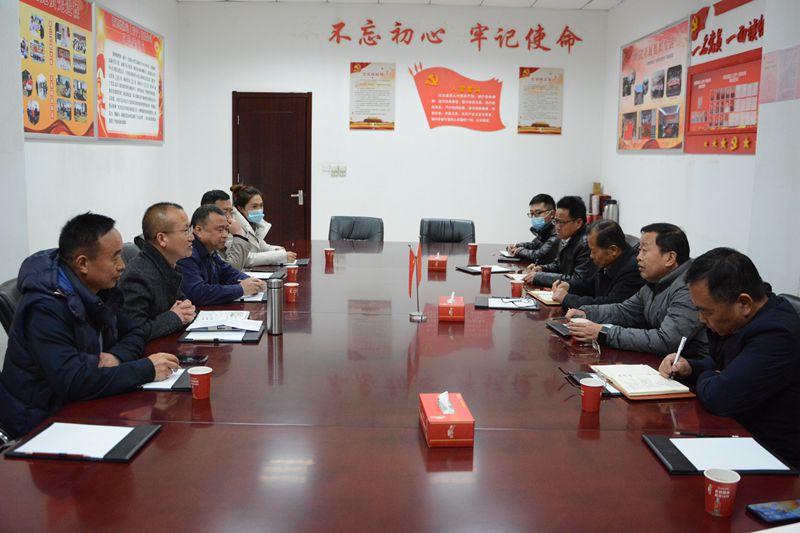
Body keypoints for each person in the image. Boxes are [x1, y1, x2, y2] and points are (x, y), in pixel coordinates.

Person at [0, 213, 179, 438]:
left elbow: (134, 331)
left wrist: (116, 357)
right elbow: (72, 381)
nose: (122, 266)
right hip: (41, 423)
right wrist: (146, 369)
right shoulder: (45, 307)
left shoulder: (101, 289)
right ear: (83, 263)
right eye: (114, 258)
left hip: (86, 403)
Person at [658, 248, 800, 468]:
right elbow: (724, 363)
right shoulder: (750, 318)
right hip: (738, 438)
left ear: (744, 303)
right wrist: (690, 368)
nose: (701, 319)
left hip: (774, 459)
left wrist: (710, 376)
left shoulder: (777, 334)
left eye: (707, 312)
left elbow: (720, 397)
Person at [566, 223, 708, 357]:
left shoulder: (690, 287)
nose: (638, 257)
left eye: (644, 251)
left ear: (670, 258)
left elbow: (666, 341)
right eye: (639, 250)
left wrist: (604, 334)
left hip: (692, 367)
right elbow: (624, 311)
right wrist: (586, 313)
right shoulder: (654, 282)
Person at [118, 203, 196, 341]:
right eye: (186, 231)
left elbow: (180, 305)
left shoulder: (169, 265)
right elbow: (133, 332)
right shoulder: (137, 276)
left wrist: (186, 309)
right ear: (162, 239)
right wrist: (174, 317)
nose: (192, 237)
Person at [178, 205, 266, 306]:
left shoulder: (211, 250)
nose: (225, 235)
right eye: (220, 230)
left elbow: (228, 272)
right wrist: (240, 289)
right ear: (199, 231)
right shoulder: (187, 253)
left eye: (227, 230)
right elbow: (197, 293)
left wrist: (252, 281)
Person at [552, 219, 643, 308]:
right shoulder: (610, 260)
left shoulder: (633, 269)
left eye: (594, 251)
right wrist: (569, 286)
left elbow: (609, 305)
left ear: (613, 250)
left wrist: (567, 299)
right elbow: (591, 284)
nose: (591, 256)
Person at [524, 196, 596, 286]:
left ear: (578, 223)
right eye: (555, 221)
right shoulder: (566, 236)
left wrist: (540, 277)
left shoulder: (587, 243)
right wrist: (542, 268)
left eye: (561, 222)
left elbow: (579, 280)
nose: (557, 227)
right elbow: (558, 265)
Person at [230, 184, 296, 266]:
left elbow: (259, 246)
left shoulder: (254, 223)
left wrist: (276, 249)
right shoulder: (232, 226)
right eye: (254, 206)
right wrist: (279, 256)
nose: (259, 210)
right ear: (241, 208)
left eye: (261, 205)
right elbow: (245, 258)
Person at [200, 189, 253, 271]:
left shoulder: (223, 231)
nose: (229, 218)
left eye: (231, 212)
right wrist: (238, 235)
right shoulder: (202, 236)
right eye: (224, 212)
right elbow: (229, 270)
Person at [506, 193, 558, 265]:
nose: (534, 217)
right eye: (532, 213)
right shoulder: (545, 229)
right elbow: (534, 245)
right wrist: (517, 246)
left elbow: (540, 256)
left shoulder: (558, 231)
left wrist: (518, 251)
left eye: (538, 213)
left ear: (552, 214)